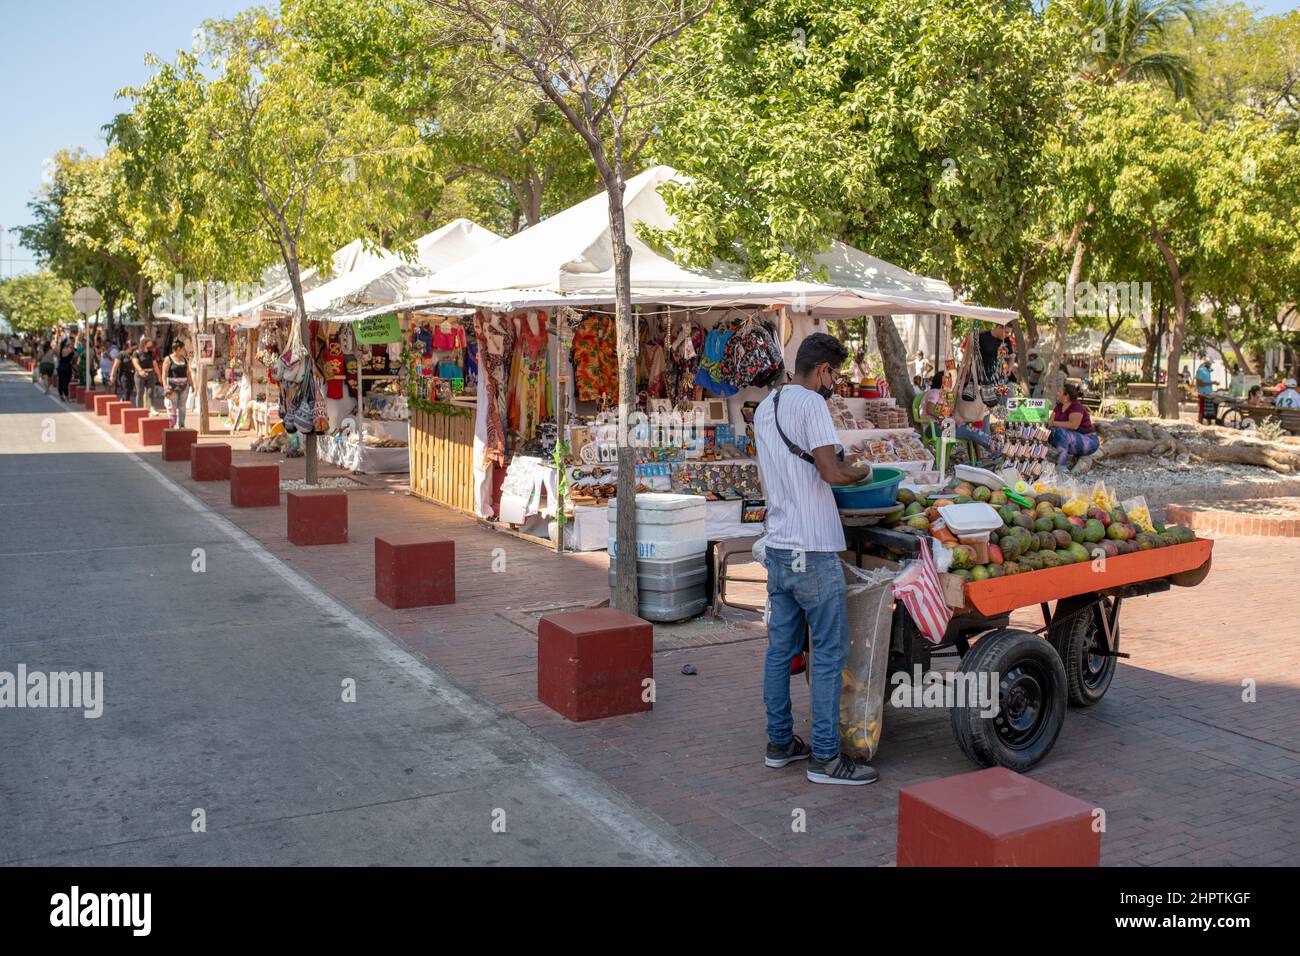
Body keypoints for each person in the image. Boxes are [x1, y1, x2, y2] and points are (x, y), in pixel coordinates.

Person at [754, 332, 878, 786]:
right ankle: (826, 759)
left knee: (780, 651)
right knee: (827, 653)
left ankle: (780, 742)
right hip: (815, 547)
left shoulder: (766, 408)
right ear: (822, 370)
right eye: (834, 374)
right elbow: (830, 471)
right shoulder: (812, 404)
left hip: (780, 548)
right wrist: (862, 472)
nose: (834, 384)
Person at [921, 370, 992, 453]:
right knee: (970, 431)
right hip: (933, 428)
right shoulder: (934, 392)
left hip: (942, 426)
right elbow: (930, 409)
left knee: (970, 430)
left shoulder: (944, 394)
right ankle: (996, 446)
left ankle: (995, 446)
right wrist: (949, 418)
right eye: (950, 380)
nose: (952, 383)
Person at [1048, 381, 1099, 466]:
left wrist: (1053, 423)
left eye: (1060, 392)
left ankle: (1062, 467)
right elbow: (1050, 422)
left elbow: (1073, 425)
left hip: (1088, 441)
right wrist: (1051, 423)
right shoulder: (1059, 406)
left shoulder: (1076, 406)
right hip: (1071, 438)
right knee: (1051, 431)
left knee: (1060, 431)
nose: (1058, 393)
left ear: (1066, 396)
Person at [162, 340, 195, 427]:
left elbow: (188, 373)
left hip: (184, 386)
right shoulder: (168, 359)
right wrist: (165, 386)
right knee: (172, 406)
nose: (185, 351)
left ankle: (182, 425)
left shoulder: (185, 359)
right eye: (183, 349)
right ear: (178, 349)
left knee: (182, 406)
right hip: (172, 386)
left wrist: (192, 384)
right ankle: (172, 425)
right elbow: (164, 374)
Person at [131, 338, 160, 410]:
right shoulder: (136, 353)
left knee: (151, 392)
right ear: (144, 344)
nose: (151, 345)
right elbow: (135, 362)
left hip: (151, 374)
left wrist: (159, 375)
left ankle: (152, 408)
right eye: (149, 343)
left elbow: (155, 364)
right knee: (140, 392)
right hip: (140, 375)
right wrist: (140, 370)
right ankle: (139, 409)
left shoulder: (151, 353)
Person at [56, 334, 75, 401]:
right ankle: (66, 397)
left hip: (61, 365)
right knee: (66, 381)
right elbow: (73, 354)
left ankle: (61, 395)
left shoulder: (60, 349)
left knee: (61, 381)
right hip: (66, 366)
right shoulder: (68, 349)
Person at [1195, 358, 1214, 423]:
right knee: (1202, 410)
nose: (1211, 365)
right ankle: (1200, 422)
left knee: (1208, 411)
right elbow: (1199, 383)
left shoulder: (1207, 371)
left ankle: (1209, 424)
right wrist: (1212, 383)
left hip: (1208, 394)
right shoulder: (1200, 371)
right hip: (1203, 393)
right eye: (1210, 364)